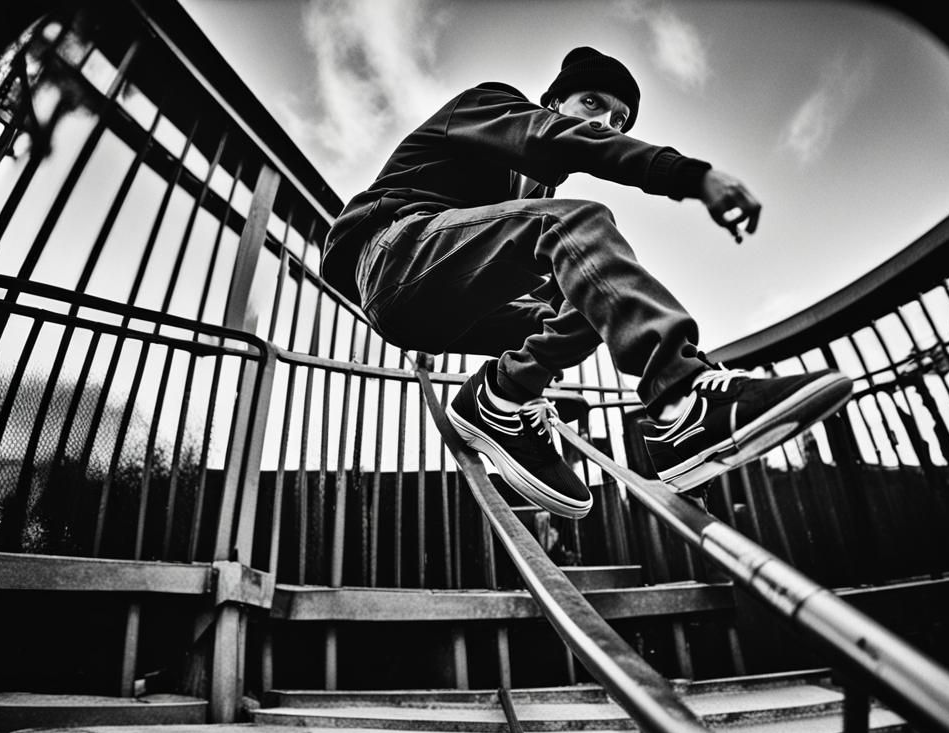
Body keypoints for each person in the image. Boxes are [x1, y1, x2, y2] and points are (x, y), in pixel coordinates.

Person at [320, 46, 852, 519]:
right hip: (395, 254)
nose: (606, 124)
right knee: (578, 221)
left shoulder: (534, 202)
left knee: (589, 295)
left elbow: (584, 294)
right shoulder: (490, 107)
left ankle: (503, 397)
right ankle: (679, 397)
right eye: (592, 104)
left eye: (618, 119)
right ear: (553, 102)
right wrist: (691, 176)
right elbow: (559, 141)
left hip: (446, 309)